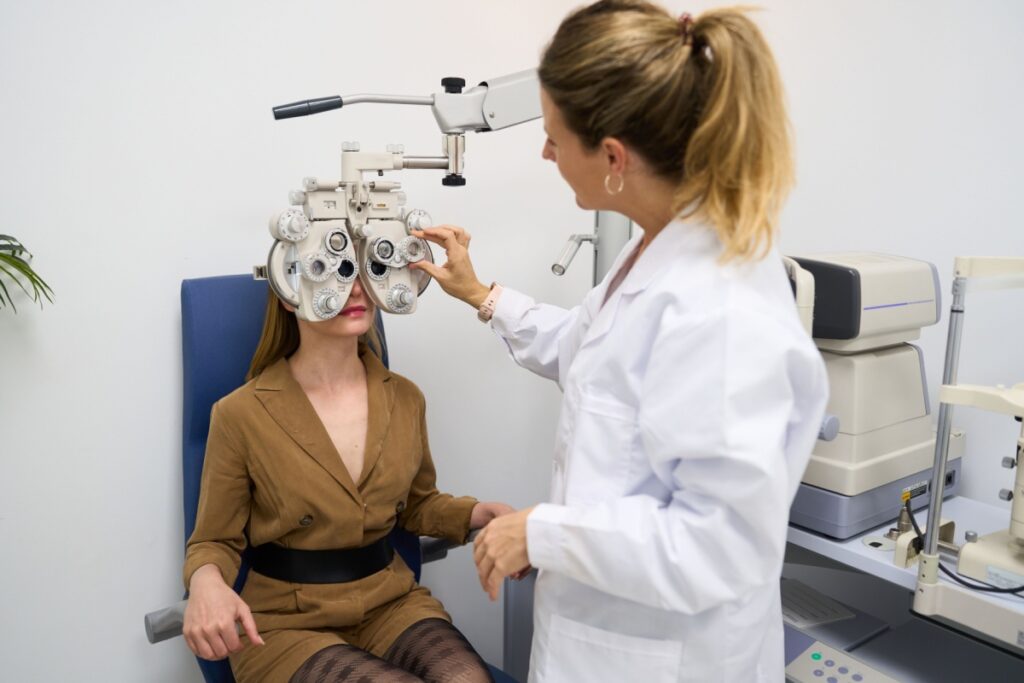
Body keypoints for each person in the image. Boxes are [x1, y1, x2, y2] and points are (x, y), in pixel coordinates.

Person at [410, 2, 829, 681]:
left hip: (670, 658)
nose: (545, 152)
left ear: (612, 157)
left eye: (553, 138)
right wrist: (481, 294)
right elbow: (588, 350)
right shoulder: (655, 252)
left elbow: (718, 546)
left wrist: (540, 533)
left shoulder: (719, 306)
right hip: (603, 638)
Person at [182, 277, 513, 683]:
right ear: (289, 292)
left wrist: (478, 513)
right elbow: (213, 539)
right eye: (333, 273)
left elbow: (416, 503)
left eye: (364, 275)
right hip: (286, 623)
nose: (356, 290)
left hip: (389, 601)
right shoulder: (240, 414)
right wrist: (205, 582)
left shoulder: (405, 397)